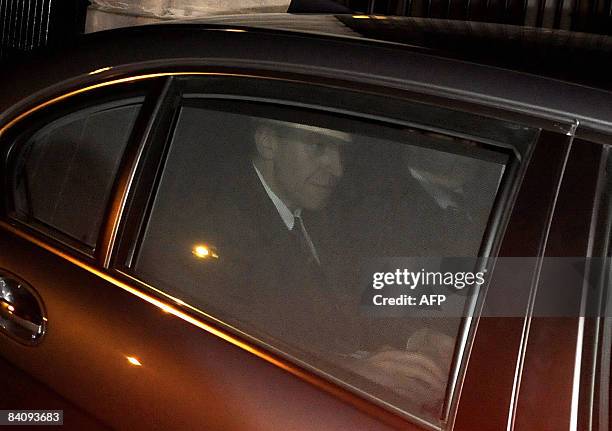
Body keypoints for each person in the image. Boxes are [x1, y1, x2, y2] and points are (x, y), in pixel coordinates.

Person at [193, 118, 453, 418]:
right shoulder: (212, 225)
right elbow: (221, 348)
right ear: (268, 142)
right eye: (319, 147)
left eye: (341, 151)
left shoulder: (324, 213)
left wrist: (418, 337)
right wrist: (343, 372)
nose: (337, 169)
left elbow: (351, 296)